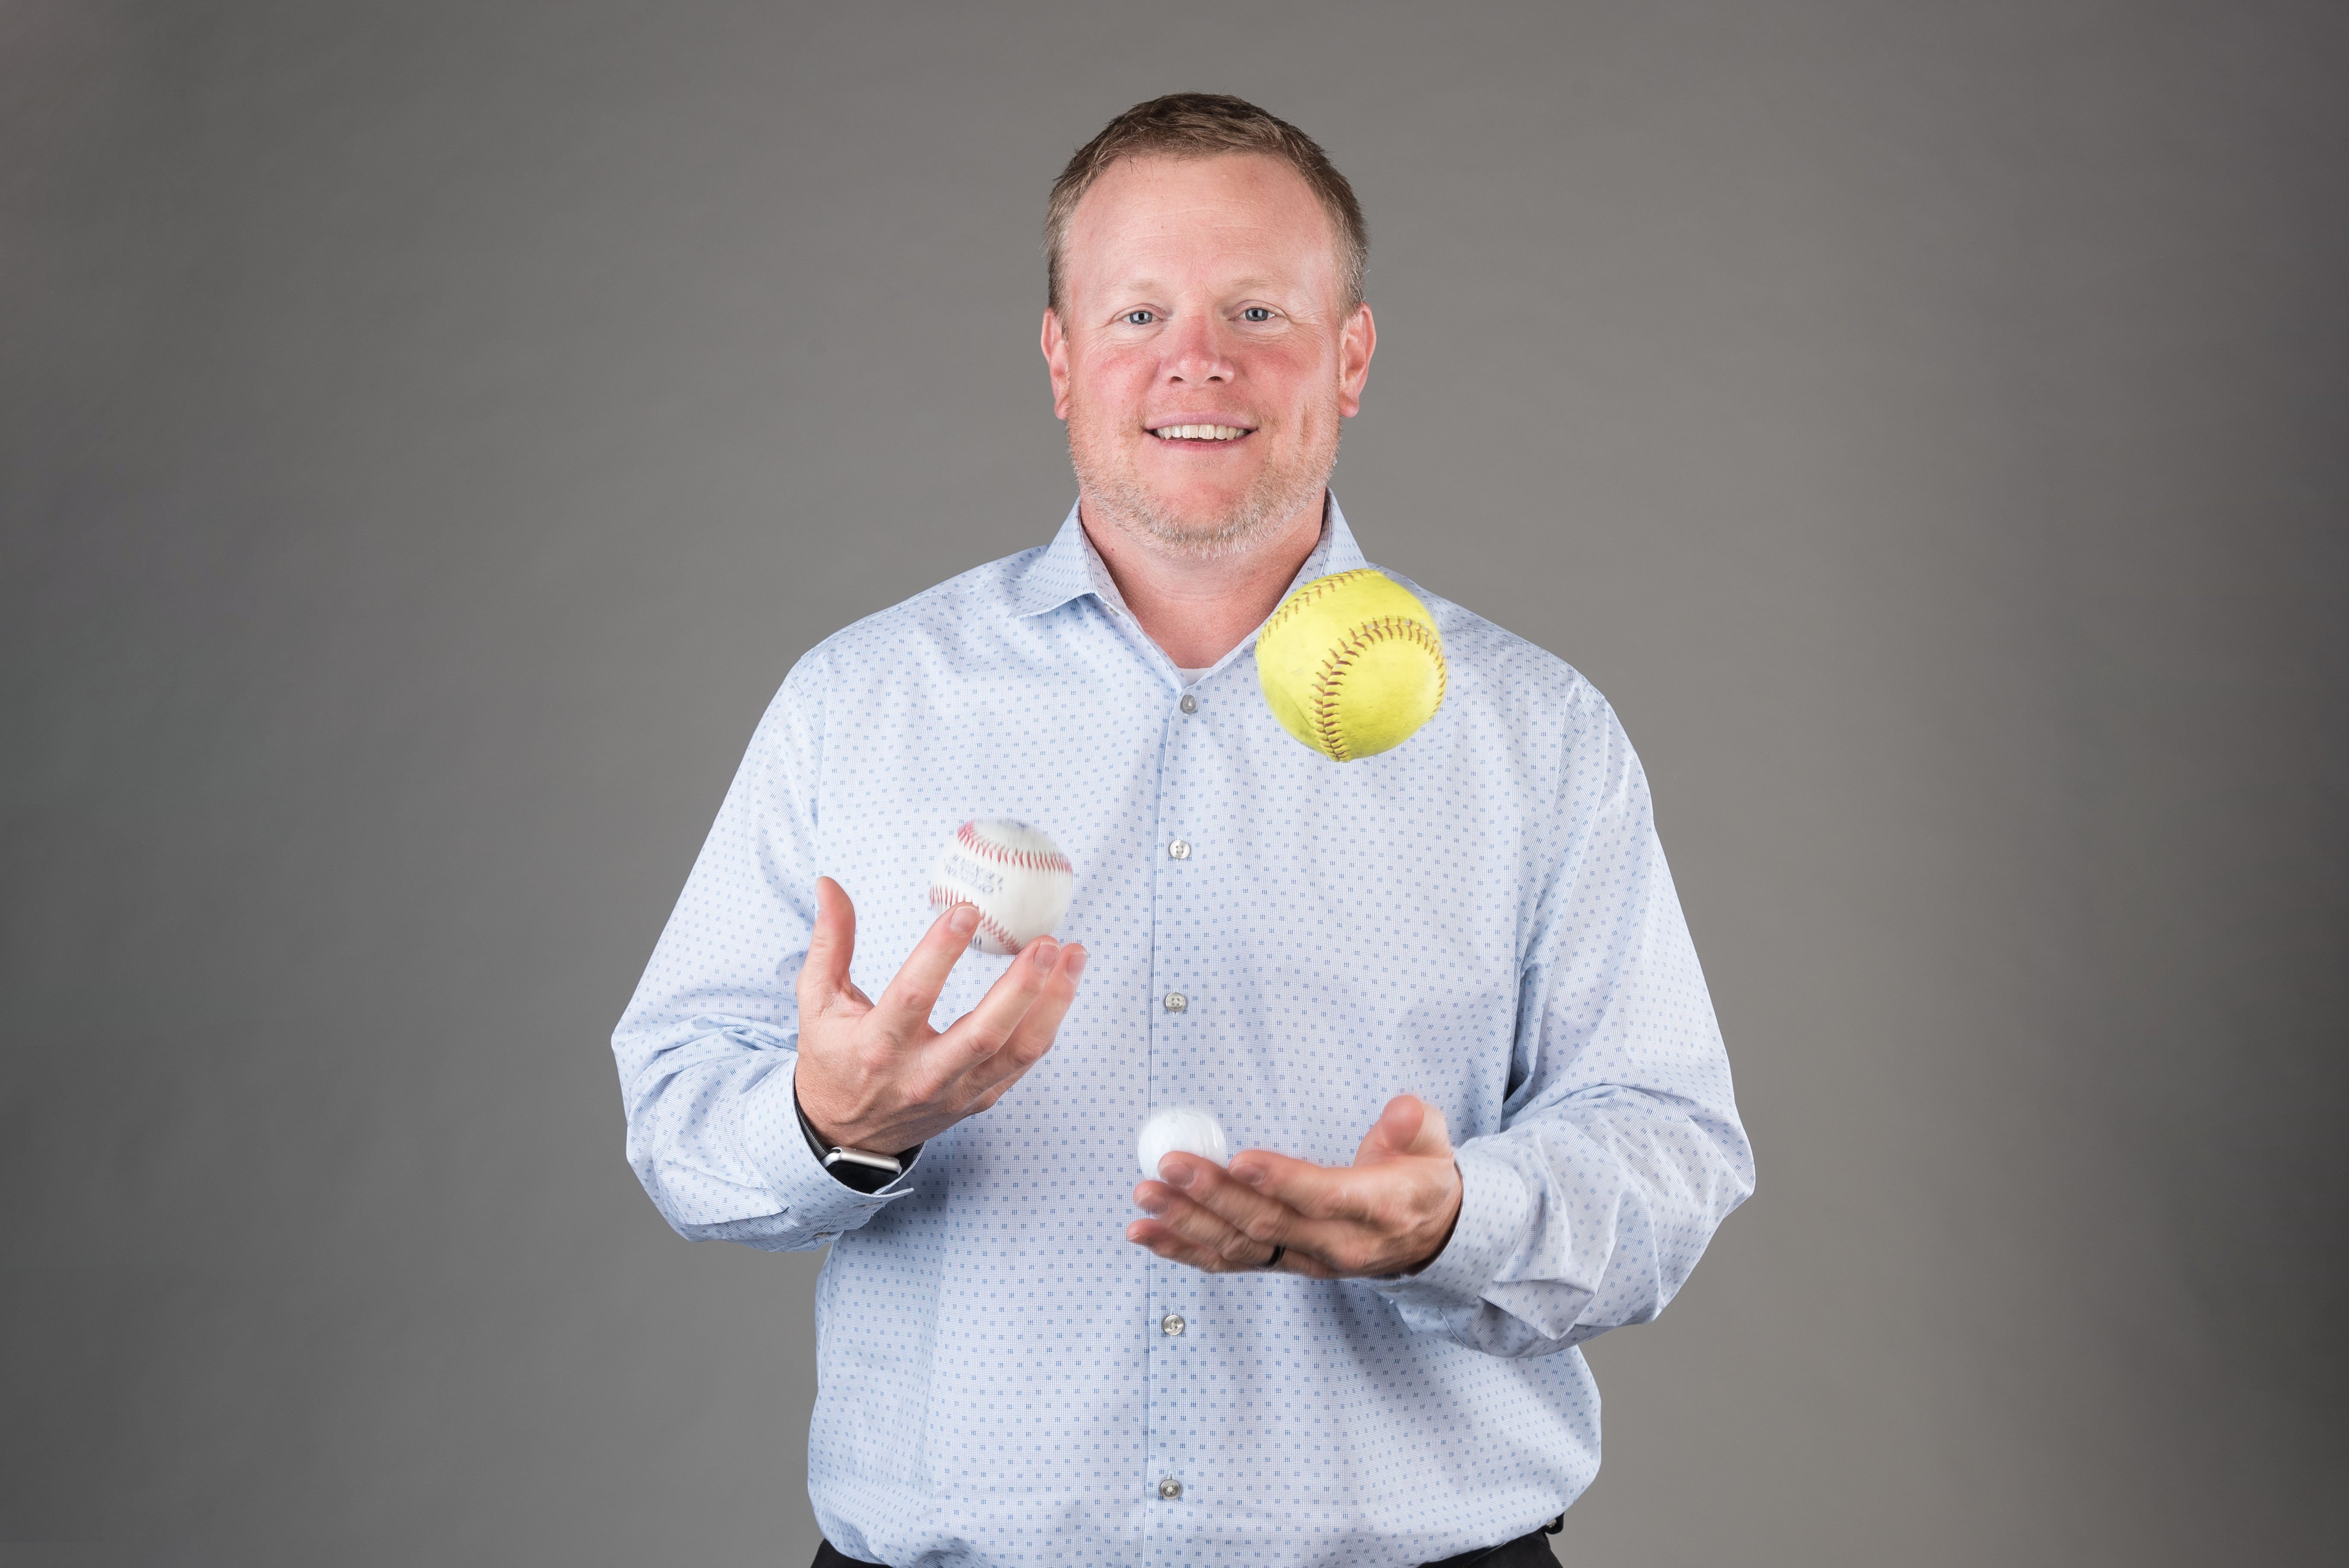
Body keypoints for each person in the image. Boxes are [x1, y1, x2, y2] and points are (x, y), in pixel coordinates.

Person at [611, 93, 1753, 1568]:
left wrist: (1450, 1215)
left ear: (1350, 357)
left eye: (1258, 309)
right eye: (1137, 308)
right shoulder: (861, 700)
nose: (1195, 360)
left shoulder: (1533, 730)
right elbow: (678, 1113)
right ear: (1059, 357)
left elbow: (1667, 1152)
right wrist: (832, 1125)